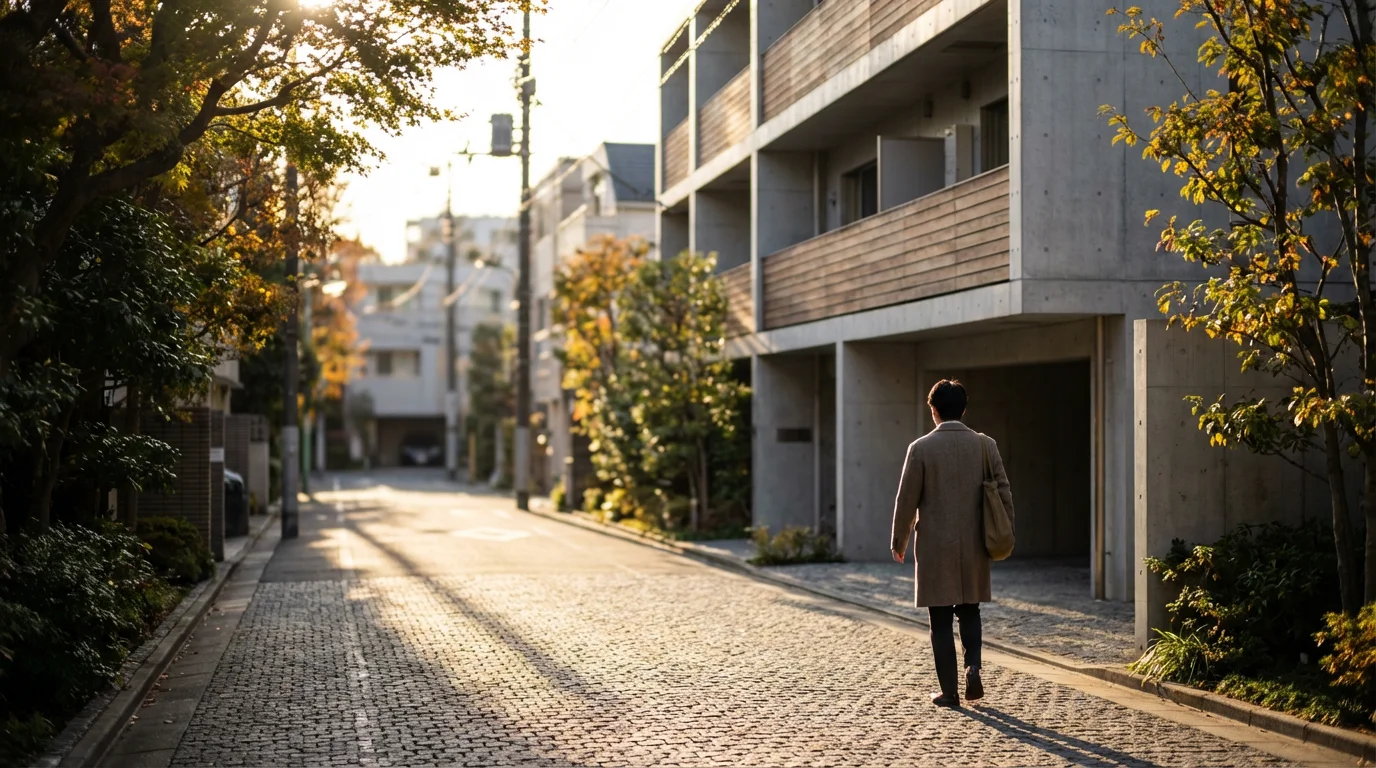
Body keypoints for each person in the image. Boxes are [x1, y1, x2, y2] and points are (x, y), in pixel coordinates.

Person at [889, 379, 1014, 708]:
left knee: (940, 620)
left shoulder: (920, 448)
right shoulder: (985, 445)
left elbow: (906, 501)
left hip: (935, 547)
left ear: (933, 410)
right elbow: (1003, 492)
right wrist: (1005, 530)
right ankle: (973, 666)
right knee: (970, 610)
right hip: (975, 543)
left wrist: (899, 541)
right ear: (964, 408)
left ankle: (950, 692)